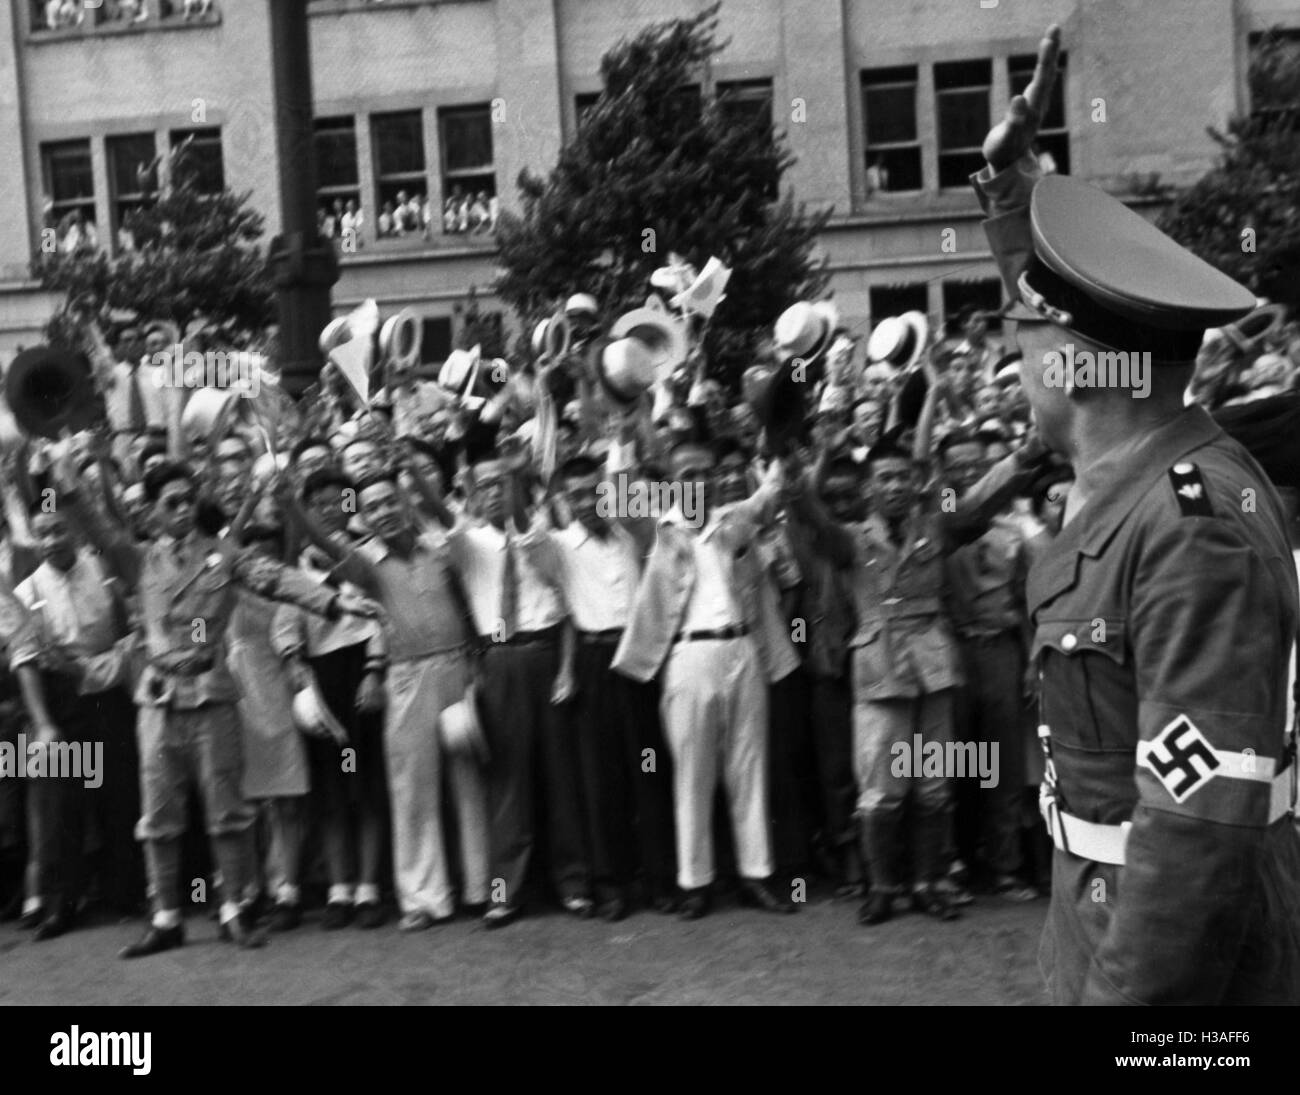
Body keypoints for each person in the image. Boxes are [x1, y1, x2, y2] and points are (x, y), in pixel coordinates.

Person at [975, 24, 1300, 1003]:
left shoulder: (1191, 524)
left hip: (1173, 965)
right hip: (1097, 910)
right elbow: (1074, 303)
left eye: (1022, 334)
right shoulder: (1134, 470)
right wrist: (1011, 191)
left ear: (1075, 366)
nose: (1008, 354)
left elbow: (1198, 825)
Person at [48, 454, 378, 958]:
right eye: (171, 503)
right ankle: (166, 917)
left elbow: (273, 576)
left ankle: (234, 910)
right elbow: (94, 524)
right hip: (158, 699)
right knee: (158, 816)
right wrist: (65, 482)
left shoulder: (222, 556)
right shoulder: (138, 559)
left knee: (228, 813)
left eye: (188, 500)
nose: (182, 510)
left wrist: (333, 602)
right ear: (155, 512)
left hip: (213, 694)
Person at [612, 438, 799, 919]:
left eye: (706, 472)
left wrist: (786, 442)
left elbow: (774, 492)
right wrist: (621, 434)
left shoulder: (734, 520)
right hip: (688, 656)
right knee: (692, 774)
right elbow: (616, 494)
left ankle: (757, 875)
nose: (700, 480)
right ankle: (695, 883)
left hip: (743, 649)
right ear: (671, 484)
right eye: (688, 474)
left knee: (748, 766)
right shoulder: (656, 528)